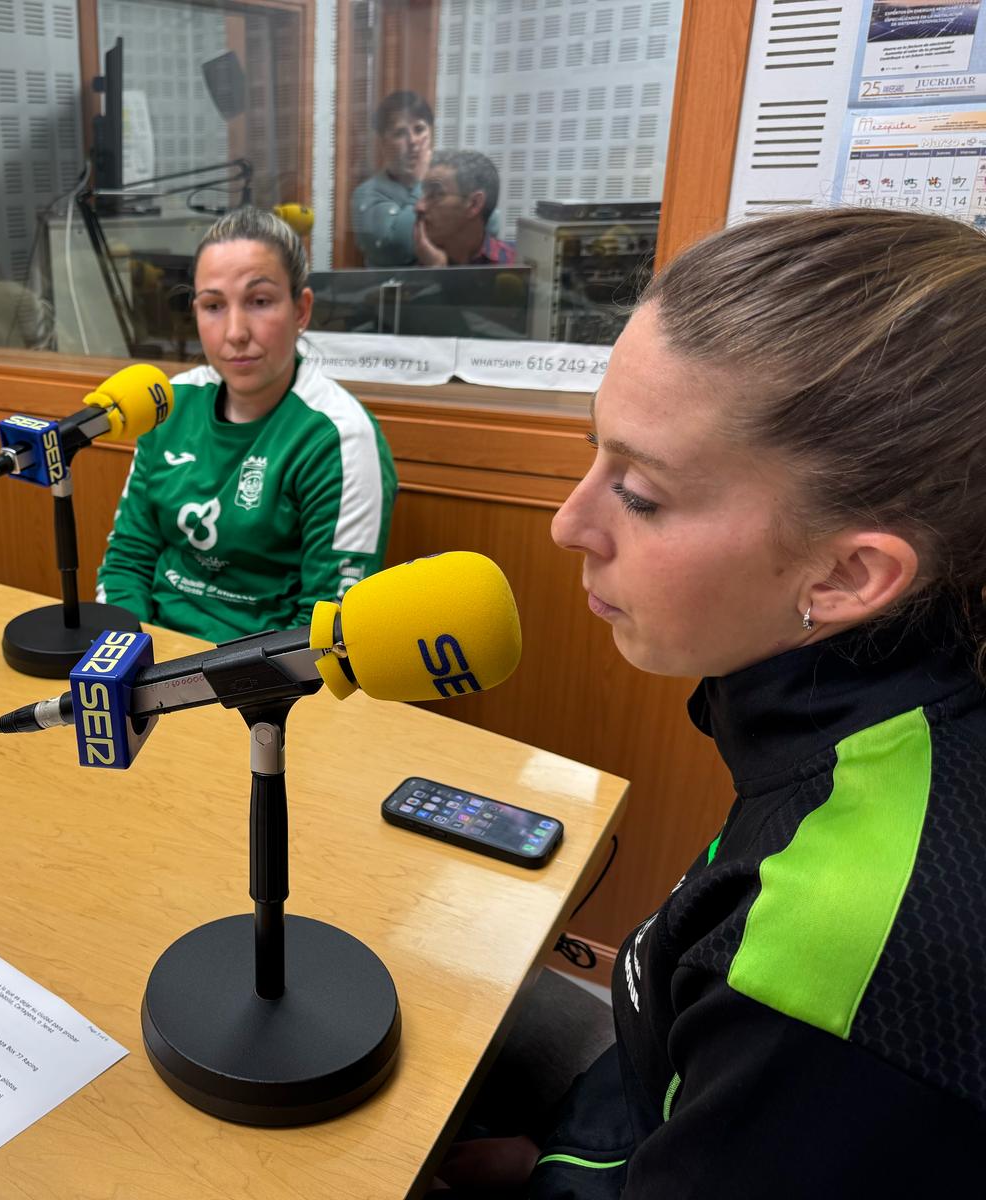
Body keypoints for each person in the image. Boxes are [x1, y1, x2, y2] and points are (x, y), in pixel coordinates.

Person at [442, 206, 986, 1197]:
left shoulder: (835, 962)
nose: (571, 524)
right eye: (593, 454)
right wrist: (559, 1162)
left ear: (850, 576)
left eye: (639, 495)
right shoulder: (863, 707)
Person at [96, 207, 397, 643]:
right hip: (149, 650)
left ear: (301, 310)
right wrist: (124, 661)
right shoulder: (170, 404)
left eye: (259, 301)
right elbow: (128, 560)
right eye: (213, 305)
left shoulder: (340, 438)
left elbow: (326, 629)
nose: (235, 332)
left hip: (261, 680)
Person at [351, 91, 434, 268]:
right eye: (400, 133)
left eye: (419, 129)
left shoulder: (449, 180)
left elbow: (488, 223)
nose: (413, 141)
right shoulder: (366, 194)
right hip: (390, 293)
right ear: (382, 142)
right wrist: (422, 184)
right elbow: (398, 247)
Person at [413, 149, 516, 266]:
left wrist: (438, 271)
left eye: (436, 194)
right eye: (424, 193)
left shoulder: (515, 265)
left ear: (474, 204)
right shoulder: (421, 262)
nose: (418, 207)